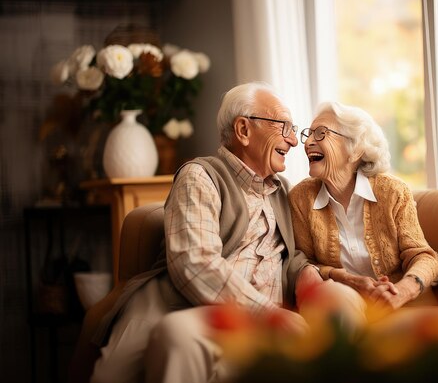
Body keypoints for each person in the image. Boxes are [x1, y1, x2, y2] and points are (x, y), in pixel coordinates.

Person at [90, 82, 323, 383]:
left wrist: (320, 276)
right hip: (185, 309)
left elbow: (293, 256)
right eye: (284, 126)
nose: (293, 141)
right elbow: (195, 264)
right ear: (243, 130)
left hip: (248, 329)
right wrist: (268, 314)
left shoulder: (282, 192)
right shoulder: (200, 177)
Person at [289, 101, 438, 324]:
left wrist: (400, 292)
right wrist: (344, 278)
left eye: (320, 133)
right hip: (344, 310)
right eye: (308, 134)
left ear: (355, 149)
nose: (307, 142)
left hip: (400, 308)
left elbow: (422, 255)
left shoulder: (392, 192)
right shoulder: (301, 198)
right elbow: (303, 265)